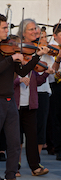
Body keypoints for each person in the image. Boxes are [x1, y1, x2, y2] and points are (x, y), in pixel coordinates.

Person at [0, 13, 50, 180]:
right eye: (4, 27)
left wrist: (36, 57)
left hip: (10, 101)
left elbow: (23, 71)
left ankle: (11, 178)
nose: (6, 30)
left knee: (14, 141)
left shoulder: (9, 49)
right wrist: (10, 59)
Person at [15, 18, 54, 177]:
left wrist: (46, 73)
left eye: (36, 29)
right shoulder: (14, 56)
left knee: (32, 136)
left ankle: (34, 166)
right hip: (15, 103)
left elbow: (36, 81)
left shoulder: (34, 56)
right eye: (31, 29)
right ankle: (14, 166)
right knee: (15, 138)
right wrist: (18, 79)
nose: (35, 32)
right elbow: (6, 79)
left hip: (30, 104)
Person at [46, 23, 61, 160]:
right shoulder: (50, 48)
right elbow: (52, 70)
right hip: (55, 84)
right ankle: (57, 148)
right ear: (55, 36)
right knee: (56, 117)